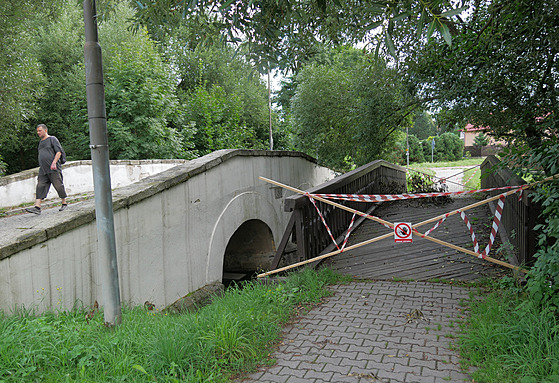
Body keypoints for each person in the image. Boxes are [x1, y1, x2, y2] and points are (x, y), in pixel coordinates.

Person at [25, 124, 68, 215]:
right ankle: (37, 207)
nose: (38, 132)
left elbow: (58, 152)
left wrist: (54, 162)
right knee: (40, 186)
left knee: (58, 185)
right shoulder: (41, 142)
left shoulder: (52, 139)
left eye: (40, 130)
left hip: (53, 168)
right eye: (37, 131)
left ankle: (64, 203)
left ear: (45, 130)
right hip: (43, 169)